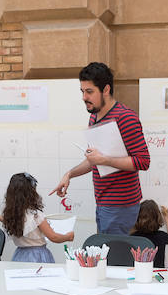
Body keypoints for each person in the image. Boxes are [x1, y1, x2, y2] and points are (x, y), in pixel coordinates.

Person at [51, 62, 150, 234]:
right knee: (105, 256)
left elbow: (143, 161)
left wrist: (106, 160)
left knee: (114, 259)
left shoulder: (126, 118)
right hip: (104, 203)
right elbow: (93, 161)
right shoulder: (94, 117)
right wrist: (69, 174)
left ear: (106, 90)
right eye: (82, 91)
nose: (84, 97)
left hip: (121, 206)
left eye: (89, 92)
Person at [4, 173, 74, 262]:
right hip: (38, 256)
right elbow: (53, 237)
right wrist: (68, 237)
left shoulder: (11, 214)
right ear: (31, 193)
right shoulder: (36, 215)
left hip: (19, 255)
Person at [130, 200, 168, 268]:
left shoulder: (133, 237)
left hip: (138, 272)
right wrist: (166, 216)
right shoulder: (161, 236)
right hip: (157, 273)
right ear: (158, 218)